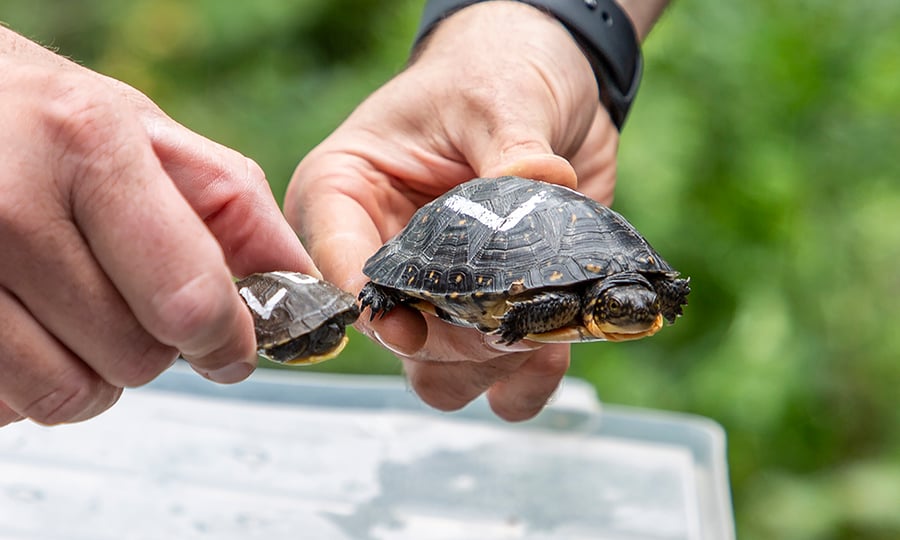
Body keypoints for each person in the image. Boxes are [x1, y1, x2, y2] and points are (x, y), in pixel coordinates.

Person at [0, 0, 669, 427]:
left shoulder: (625, 286)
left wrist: (550, 23)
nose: (640, 309)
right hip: (480, 260)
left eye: (637, 304)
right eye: (630, 304)